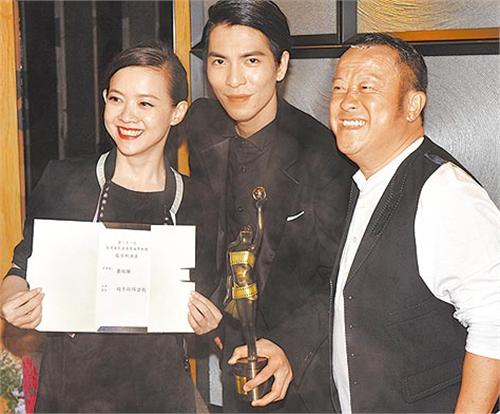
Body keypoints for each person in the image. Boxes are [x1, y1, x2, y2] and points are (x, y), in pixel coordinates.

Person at [0, 42, 219, 412]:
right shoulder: (62, 181)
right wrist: (10, 302)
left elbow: (210, 293)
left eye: (145, 104)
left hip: (161, 395)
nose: (127, 116)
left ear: (177, 112)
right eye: (116, 99)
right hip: (70, 395)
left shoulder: (197, 200)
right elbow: (20, 268)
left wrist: (208, 319)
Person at [173, 1, 354, 412]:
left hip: (305, 371)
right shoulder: (202, 127)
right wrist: (210, 301)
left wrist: (290, 344)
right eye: (219, 61)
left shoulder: (324, 154)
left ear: (281, 65)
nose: (233, 80)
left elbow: (344, 277)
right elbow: (204, 220)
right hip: (234, 355)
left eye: (251, 60)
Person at [329, 32, 500, 412]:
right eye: (339, 87)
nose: (347, 101)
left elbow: (494, 320)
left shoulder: (445, 191)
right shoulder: (366, 182)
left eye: (367, 87)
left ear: (412, 105)